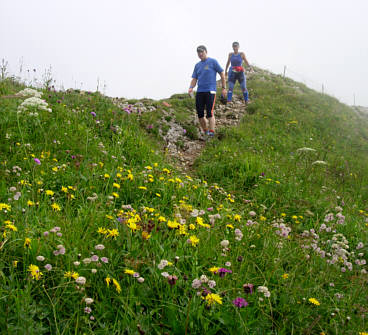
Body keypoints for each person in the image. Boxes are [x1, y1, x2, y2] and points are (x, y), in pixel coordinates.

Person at [188, 45, 227, 139]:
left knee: (210, 112)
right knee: (200, 114)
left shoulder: (213, 61)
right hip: (200, 91)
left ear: (206, 52)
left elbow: (222, 73)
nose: (200, 54)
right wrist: (191, 87)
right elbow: (194, 78)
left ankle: (212, 132)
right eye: (198, 52)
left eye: (202, 52)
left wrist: (224, 87)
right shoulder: (197, 65)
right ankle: (206, 132)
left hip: (210, 91)